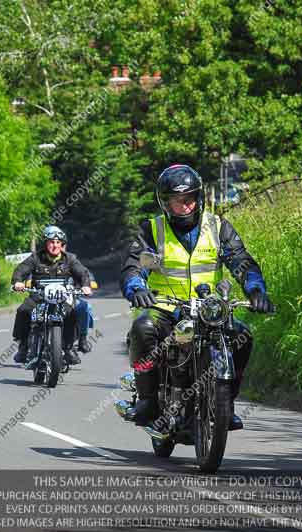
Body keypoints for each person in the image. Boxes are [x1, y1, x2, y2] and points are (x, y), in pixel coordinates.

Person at [120, 164, 274, 431]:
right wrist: (137, 289)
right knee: (142, 328)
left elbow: (241, 261)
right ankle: (146, 399)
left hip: (209, 309)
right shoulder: (152, 230)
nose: (185, 206)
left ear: (199, 197)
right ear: (165, 202)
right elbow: (134, 266)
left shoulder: (217, 227)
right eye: (177, 201)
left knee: (242, 336)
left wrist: (256, 290)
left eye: (190, 198)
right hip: (165, 307)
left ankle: (226, 402)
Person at [11, 226, 94, 365]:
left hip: (63, 298)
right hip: (39, 297)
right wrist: (17, 282)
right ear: (45, 243)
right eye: (51, 242)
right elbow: (20, 270)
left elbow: (82, 273)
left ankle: (68, 348)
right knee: (23, 311)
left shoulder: (70, 259)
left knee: (72, 314)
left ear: (62, 244)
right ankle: (23, 346)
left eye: (57, 242)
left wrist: (86, 285)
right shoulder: (35, 258)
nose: (54, 245)